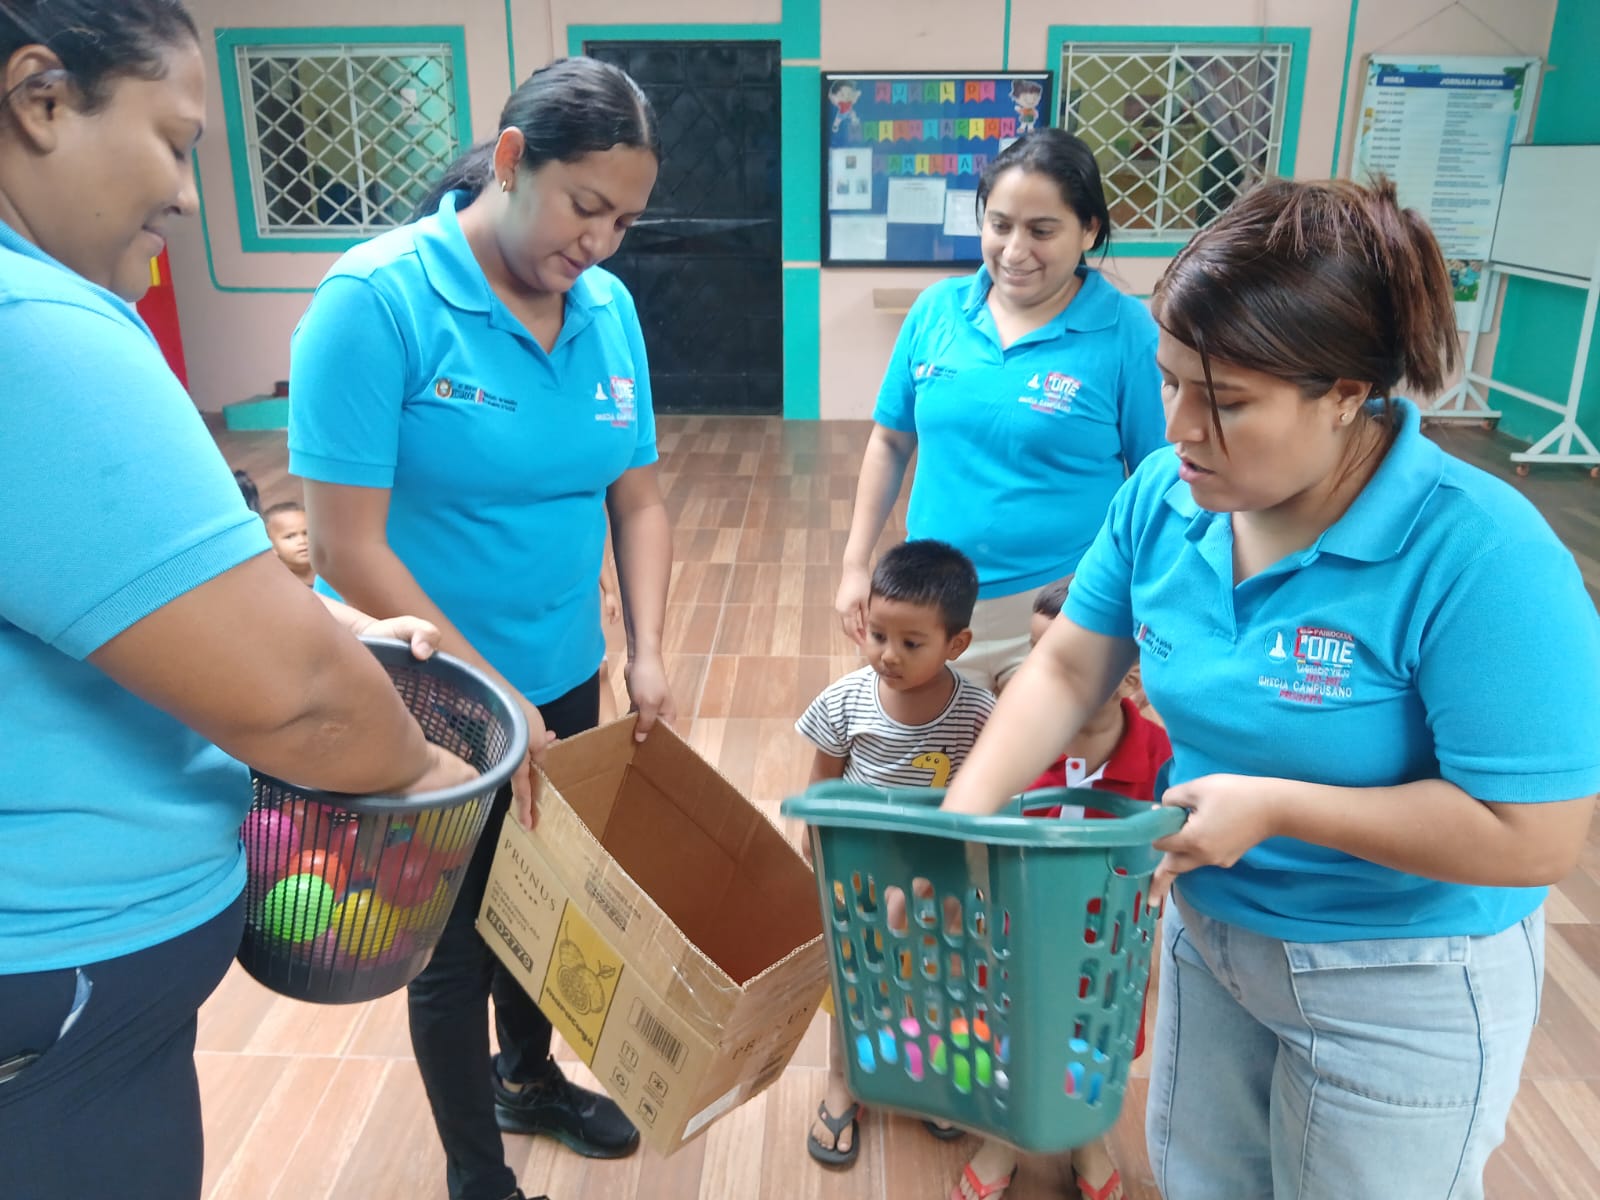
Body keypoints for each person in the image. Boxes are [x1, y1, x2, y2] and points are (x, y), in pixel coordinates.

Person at [941, 176, 1600, 1200]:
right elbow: (1070, 664)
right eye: (1169, 383)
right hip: (1212, 940)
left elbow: (1534, 837)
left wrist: (1280, 807)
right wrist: (961, 817)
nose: (1180, 428)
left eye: (1227, 402)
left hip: (1402, 980)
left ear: (1346, 394)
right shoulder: (1166, 497)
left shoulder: (1482, 556)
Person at [0, 4, 478, 1197]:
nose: (186, 194)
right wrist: (430, 779)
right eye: (173, 144)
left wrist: (332, 625)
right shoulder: (34, 332)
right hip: (57, 1002)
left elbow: (128, 585)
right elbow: (304, 705)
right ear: (42, 99)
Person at [288, 56, 676, 1200]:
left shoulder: (607, 310)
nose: (599, 243)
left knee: (539, 897)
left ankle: (529, 1078)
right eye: (584, 206)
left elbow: (637, 496)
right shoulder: (376, 301)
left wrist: (648, 650)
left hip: (563, 667)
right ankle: (477, 1175)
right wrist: (491, 695)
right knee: (450, 941)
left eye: (624, 222)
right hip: (429, 688)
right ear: (511, 160)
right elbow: (348, 546)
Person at [835, 129, 1166, 693]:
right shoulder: (936, 311)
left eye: (1042, 231)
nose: (1014, 251)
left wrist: (1145, 604)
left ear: (1089, 230)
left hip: (1063, 612)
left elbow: (1159, 477)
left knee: (1043, 751)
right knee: (931, 747)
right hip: (931, 608)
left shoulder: (1126, 332)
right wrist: (854, 565)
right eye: (1000, 224)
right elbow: (890, 442)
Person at [954, 577, 1170, 1200]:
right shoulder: (1013, 746)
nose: (1039, 673)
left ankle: (1084, 1137)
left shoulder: (1158, 755)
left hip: (1109, 943)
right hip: (1015, 929)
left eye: (1066, 657)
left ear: (1130, 681)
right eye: (1035, 652)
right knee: (1006, 1030)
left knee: (1096, 1037)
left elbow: (1174, 839)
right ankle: (1004, 1136)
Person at [796, 539, 996, 1168]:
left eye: (912, 643)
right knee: (853, 980)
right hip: (858, 876)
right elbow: (822, 785)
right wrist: (815, 852)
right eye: (879, 635)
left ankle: (930, 1072)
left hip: (939, 880)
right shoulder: (846, 700)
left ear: (956, 644)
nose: (889, 654)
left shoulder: (977, 712)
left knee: (938, 977)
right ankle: (843, 1080)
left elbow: (990, 792)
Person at [262, 499, 315, 586]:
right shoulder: (274, 585)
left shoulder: (333, 573)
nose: (302, 541)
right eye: (290, 536)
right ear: (271, 545)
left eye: (306, 533)